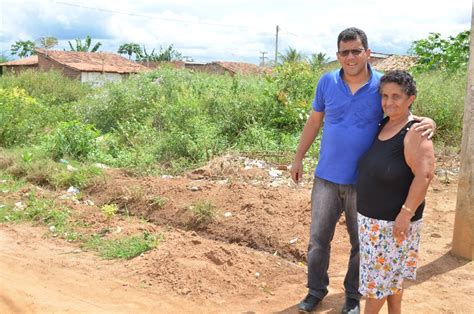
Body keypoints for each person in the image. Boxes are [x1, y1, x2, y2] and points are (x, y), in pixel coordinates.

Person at [290, 27, 435, 314]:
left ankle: (353, 297)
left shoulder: (383, 86)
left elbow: (403, 114)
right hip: (326, 178)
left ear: (367, 53)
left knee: (362, 247)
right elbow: (314, 121)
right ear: (337, 55)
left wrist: (430, 121)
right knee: (318, 240)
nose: (351, 57)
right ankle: (315, 291)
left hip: (364, 184)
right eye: (344, 52)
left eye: (356, 50)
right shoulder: (327, 82)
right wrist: (298, 158)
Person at [356, 70, 434, 313]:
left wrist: (406, 213)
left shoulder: (415, 132)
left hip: (393, 223)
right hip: (373, 222)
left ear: (410, 98)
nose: (389, 102)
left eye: (396, 96)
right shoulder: (385, 123)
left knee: (378, 283)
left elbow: (424, 176)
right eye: (385, 96)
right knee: (391, 276)